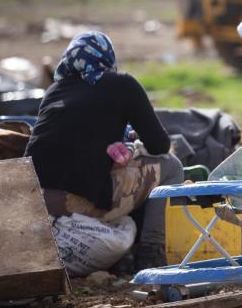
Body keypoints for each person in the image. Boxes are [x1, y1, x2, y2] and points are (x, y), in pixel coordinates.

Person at [25, 32, 183, 269]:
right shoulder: (122, 84)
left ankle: (125, 256)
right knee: (172, 167)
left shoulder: (54, 90)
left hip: (35, 203)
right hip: (76, 203)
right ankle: (151, 254)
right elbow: (159, 145)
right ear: (107, 58)